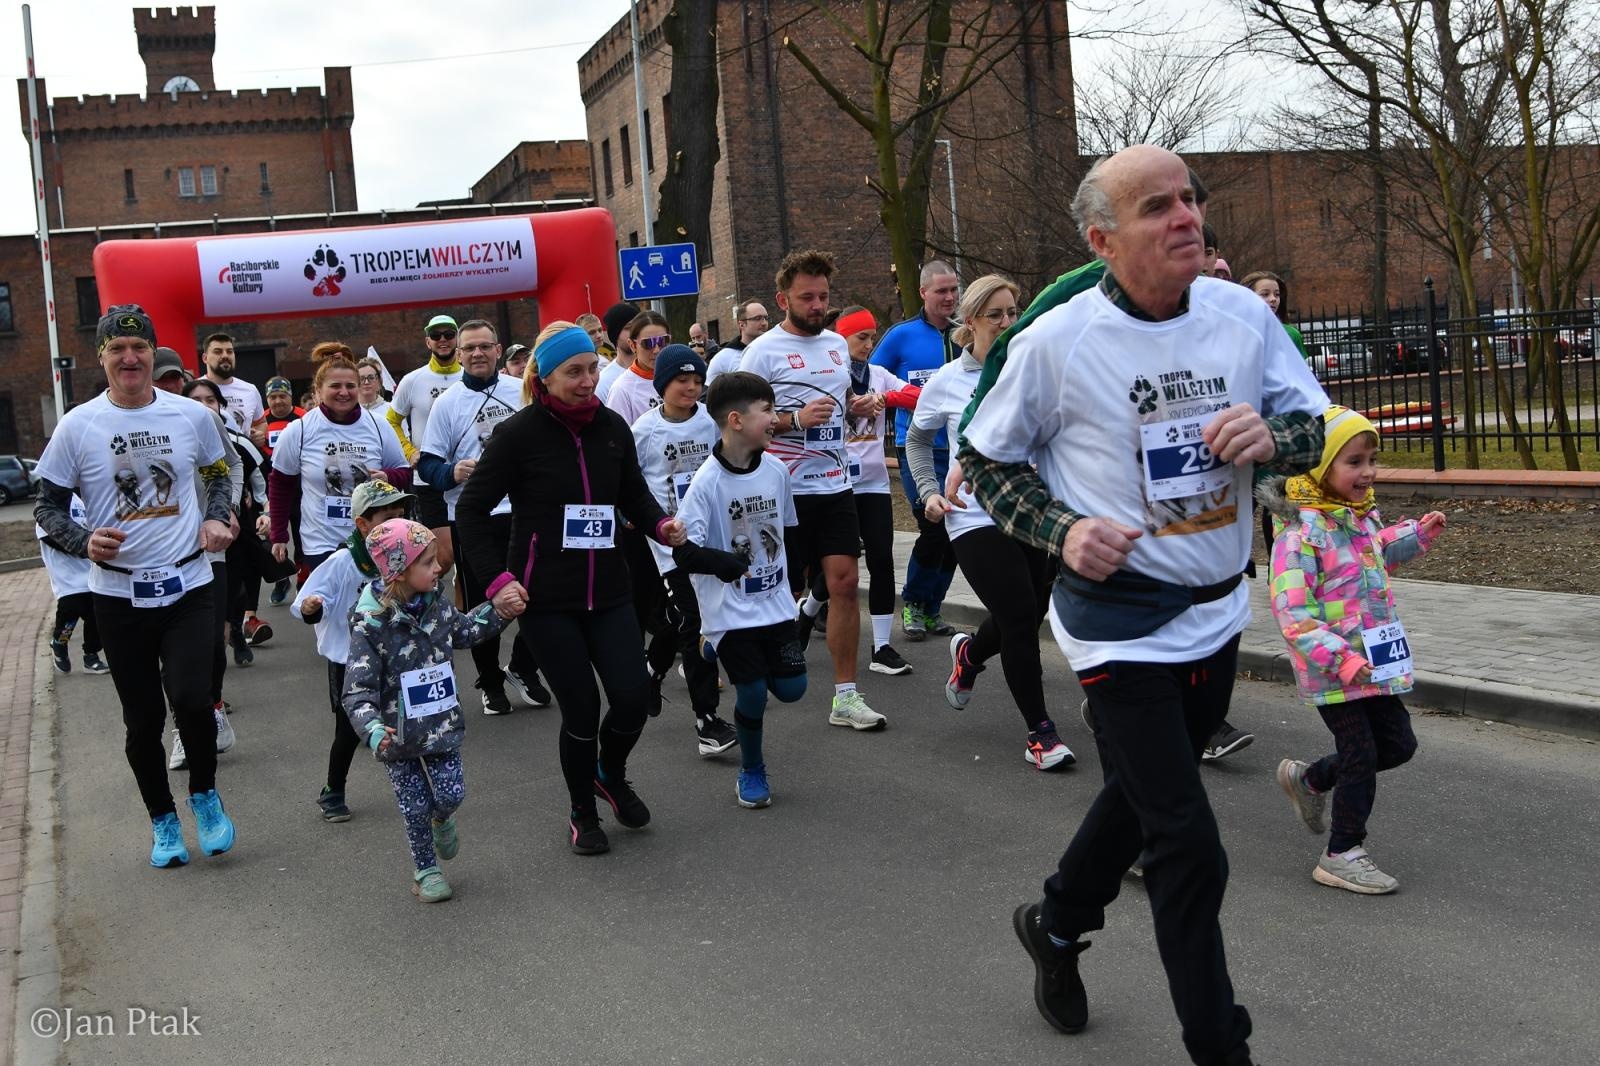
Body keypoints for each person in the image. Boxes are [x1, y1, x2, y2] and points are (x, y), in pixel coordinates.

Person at [959, 146, 1327, 1065]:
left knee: (1140, 789)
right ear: (1103, 239)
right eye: (1158, 206)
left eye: (1190, 200)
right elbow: (987, 457)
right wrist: (1060, 528)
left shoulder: (1241, 315)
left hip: (1213, 606)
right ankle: (1221, 1047)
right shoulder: (1059, 341)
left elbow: (1314, 424)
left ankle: (1056, 920)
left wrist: (1271, 434)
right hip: (1115, 620)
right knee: (1187, 843)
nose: (1186, 218)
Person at [455, 325, 688, 855]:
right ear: (546, 377)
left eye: (592, 369)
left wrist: (660, 526)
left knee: (631, 699)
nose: (588, 381)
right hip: (546, 598)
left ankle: (610, 772)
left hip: (609, 589)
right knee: (580, 708)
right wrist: (498, 580)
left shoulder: (611, 428)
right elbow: (470, 511)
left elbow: (634, 493)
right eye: (574, 372)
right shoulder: (517, 436)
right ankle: (583, 809)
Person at [34, 303, 240, 868]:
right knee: (143, 718)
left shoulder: (190, 416)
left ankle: (204, 795)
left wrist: (219, 517)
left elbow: (220, 474)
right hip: (118, 594)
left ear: (153, 353)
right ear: (102, 357)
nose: (130, 358)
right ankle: (162, 820)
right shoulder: (79, 425)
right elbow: (47, 507)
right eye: (117, 350)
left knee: (194, 701)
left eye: (139, 348)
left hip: (188, 583)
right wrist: (81, 542)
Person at [1263, 406, 1444, 895]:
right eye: (1354, 462)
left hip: (1375, 660)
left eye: (1372, 459)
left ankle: (1312, 780)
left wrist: (1415, 535)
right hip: (1335, 669)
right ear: (1321, 468)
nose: (1368, 472)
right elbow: (1292, 613)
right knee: (1360, 751)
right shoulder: (1298, 535)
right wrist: (1342, 659)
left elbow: (1375, 553)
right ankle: (1342, 852)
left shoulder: (1358, 518)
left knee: (1399, 744)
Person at [911, 275, 1072, 770]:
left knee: (1025, 612)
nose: (1007, 323)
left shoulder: (1032, 371)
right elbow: (917, 442)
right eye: (996, 314)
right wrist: (929, 493)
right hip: (974, 517)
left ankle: (970, 657)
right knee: (1021, 617)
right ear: (970, 321)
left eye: (1013, 312)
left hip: (1032, 512)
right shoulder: (947, 382)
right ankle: (1040, 734)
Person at [738, 248, 885, 731]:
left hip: (836, 483)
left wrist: (855, 405)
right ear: (784, 299)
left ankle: (845, 696)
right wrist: (793, 420)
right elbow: (743, 421)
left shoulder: (837, 346)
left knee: (844, 584)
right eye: (808, 297)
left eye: (823, 296)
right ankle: (756, 668)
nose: (818, 305)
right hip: (783, 489)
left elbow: (838, 401)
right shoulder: (762, 352)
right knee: (782, 589)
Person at [342, 518, 523, 903]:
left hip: (441, 727)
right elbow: (356, 690)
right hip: (397, 736)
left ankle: (442, 818)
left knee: (451, 792)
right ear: (399, 571)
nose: (439, 566)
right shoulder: (371, 624)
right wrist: (373, 729)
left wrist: (500, 611)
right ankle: (425, 870)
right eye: (427, 562)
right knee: (414, 805)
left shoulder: (438, 605)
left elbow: (466, 630)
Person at [673, 371, 807, 808]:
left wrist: (797, 582)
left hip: (775, 602)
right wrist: (723, 563)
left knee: (792, 690)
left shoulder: (776, 470)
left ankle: (712, 649)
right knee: (751, 693)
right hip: (730, 607)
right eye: (767, 411)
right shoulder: (707, 483)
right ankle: (752, 770)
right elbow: (685, 554)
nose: (775, 419)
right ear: (735, 420)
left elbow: (788, 530)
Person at [415, 318, 548, 715]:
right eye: (469, 348)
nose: (477, 354)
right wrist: (452, 472)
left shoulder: (521, 392)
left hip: (523, 511)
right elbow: (427, 466)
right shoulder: (448, 402)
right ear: (458, 354)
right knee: (485, 604)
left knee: (541, 596)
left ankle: (524, 666)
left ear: (497, 349)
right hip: (472, 516)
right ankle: (490, 682)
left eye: (484, 346)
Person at [795, 305, 918, 675]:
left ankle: (881, 647)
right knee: (841, 565)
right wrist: (849, 408)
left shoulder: (880, 376)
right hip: (838, 482)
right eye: (860, 337)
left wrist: (885, 400)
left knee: (881, 558)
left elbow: (917, 395)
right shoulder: (828, 375)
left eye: (871, 337)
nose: (868, 344)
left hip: (875, 483)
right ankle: (808, 611)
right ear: (841, 339)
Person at [629, 343, 738, 756]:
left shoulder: (711, 425)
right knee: (696, 623)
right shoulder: (644, 430)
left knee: (685, 624)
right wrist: (632, 516)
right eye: (681, 381)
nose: (691, 388)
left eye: (697, 381)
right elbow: (627, 482)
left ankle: (651, 670)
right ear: (662, 385)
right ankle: (706, 721)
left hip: (709, 539)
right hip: (668, 546)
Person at [292, 479, 413, 822]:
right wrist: (312, 607)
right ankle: (333, 790)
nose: (397, 524)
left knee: (406, 720)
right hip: (351, 660)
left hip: (394, 656)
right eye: (387, 518)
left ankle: (417, 785)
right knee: (347, 731)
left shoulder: (405, 554)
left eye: (401, 515)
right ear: (362, 524)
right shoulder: (344, 561)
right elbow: (306, 603)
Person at [871, 260, 963, 641]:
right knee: (932, 526)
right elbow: (871, 381)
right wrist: (901, 398)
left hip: (961, 450)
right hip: (919, 447)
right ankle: (912, 603)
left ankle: (933, 608)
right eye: (941, 291)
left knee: (957, 533)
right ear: (923, 292)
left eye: (954, 289)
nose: (949, 297)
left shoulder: (967, 334)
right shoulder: (901, 336)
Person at [269, 348, 410, 577]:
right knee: (329, 608)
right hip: (322, 541)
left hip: (374, 537)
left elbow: (404, 472)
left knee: (373, 609)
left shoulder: (378, 425)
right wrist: (279, 536)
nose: (343, 392)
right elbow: (280, 485)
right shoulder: (299, 430)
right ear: (318, 390)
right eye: (335, 386)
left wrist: (388, 477)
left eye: (350, 386)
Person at [167, 377, 243, 773]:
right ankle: (182, 727)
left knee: (212, 643)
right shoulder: (163, 421)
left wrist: (225, 509)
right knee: (172, 654)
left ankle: (213, 705)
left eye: (209, 399)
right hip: (164, 557)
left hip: (209, 553)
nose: (202, 404)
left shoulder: (201, 421)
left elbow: (232, 463)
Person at [387, 314, 462, 576]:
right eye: (436, 335)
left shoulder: (469, 377)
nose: (443, 340)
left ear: (457, 339)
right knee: (446, 556)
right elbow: (392, 421)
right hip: (429, 477)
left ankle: (461, 615)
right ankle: (416, 603)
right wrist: (410, 451)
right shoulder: (412, 380)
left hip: (466, 476)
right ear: (427, 341)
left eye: (449, 334)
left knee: (467, 556)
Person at [39, 491, 110, 675]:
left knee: (96, 615)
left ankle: (91, 656)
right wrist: (81, 546)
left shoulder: (80, 500)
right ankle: (59, 643)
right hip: (67, 575)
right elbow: (47, 535)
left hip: (90, 571)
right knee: (70, 613)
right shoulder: (52, 501)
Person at [262, 377, 304, 606]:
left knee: (300, 536)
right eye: (273, 397)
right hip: (271, 486)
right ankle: (281, 577)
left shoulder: (303, 417)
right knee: (272, 536)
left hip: (297, 486)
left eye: (282, 396)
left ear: (290, 397)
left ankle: (302, 577)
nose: (278, 401)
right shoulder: (261, 421)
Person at [200, 332, 268, 447]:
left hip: (245, 460)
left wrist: (259, 435)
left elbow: (261, 422)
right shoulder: (194, 389)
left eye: (229, 351)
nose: (225, 355)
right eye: (218, 352)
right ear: (205, 358)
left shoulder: (250, 390)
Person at [605, 310, 671, 425]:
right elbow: (619, 439)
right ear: (632, 345)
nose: (656, 350)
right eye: (648, 343)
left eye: (662, 341)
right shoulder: (621, 390)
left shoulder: (680, 377)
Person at [1239, 271, 1308, 359]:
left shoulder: (1291, 334)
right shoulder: (1234, 333)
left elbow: (1300, 370)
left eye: (1277, 294)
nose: (1273, 299)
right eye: (1265, 294)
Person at [704, 299, 770, 386]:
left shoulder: (774, 350)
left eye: (766, 318)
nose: (764, 323)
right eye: (757, 318)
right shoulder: (723, 358)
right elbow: (707, 396)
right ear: (742, 324)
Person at [595, 301, 641, 403]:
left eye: (638, 327)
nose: (635, 333)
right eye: (628, 328)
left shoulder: (656, 370)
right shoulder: (603, 381)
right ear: (615, 335)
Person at [356, 357, 394, 421]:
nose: (366, 382)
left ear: (379, 381)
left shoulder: (392, 410)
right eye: (361, 378)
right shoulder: (347, 411)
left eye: (371, 377)